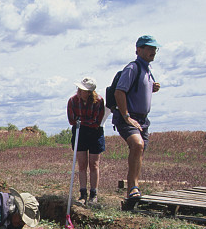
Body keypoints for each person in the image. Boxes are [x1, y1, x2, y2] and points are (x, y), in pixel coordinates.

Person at [111, 34, 161, 204]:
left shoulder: (147, 69)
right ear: (139, 50)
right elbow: (119, 91)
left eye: (154, 48)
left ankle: (134, 188)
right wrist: (126, 116)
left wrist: (152, 87)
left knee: (140, 151)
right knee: (137, 145)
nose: (153, 51)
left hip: (143, 119)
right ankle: (133, 187)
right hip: (129, 117)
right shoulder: (133, 68)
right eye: (149, 48)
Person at [67, 76, 106, 205]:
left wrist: (81, 121)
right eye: (79, 88)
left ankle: (93, 194)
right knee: (82, 164)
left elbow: (96, 122)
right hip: (80, 132)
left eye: (83, 90)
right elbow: (72, 120)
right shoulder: (72, 101)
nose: (79, 91)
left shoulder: (99, 101)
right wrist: (83, 123)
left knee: (94, 164)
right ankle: (83, 194)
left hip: (95, 133)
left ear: (89, 92)